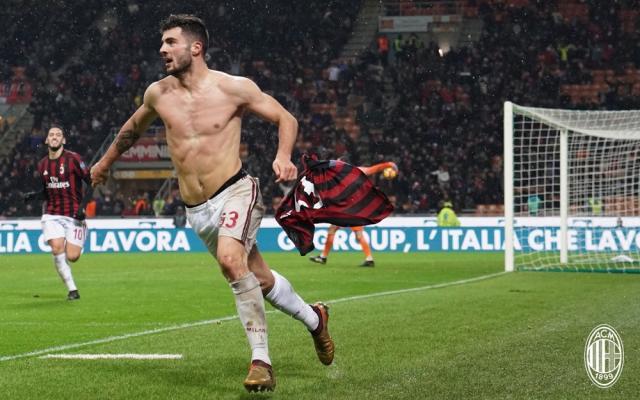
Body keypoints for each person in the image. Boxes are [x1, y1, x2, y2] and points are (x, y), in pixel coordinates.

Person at [89, 14, 333, 393]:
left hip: (236, 190)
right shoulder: (158, 93)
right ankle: (315, 319)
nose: (162, 49)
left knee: (230, 261)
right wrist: (104, 164)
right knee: (259, 279)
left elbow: (286, 118)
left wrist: (283, 156)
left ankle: (261, 362)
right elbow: (132, 129)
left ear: (196, 47)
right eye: (162, 42)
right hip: (196, 211)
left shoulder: (233, 87)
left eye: (171, 42)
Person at [23, 125, 90, 300]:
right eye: (51, 134)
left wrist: (83, 206)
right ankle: (73, 290)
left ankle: (81, 230)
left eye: (58, 134)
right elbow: (48, 191)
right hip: (52, 214)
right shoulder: (42, 164)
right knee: (57, 248)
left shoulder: (74, 159)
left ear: (63, 140)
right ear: (46, 140)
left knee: (73, 256)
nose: (54, 137)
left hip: (74, 214)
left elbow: (91, 181)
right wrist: (35, 196)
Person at [309, 161, 398, 267]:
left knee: (352, 233)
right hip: (353, 208)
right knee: (338, 230)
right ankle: (324, 257)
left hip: (349, 209)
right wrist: (388, 164)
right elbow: (373, 169)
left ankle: (368, 259)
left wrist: (388, 164)